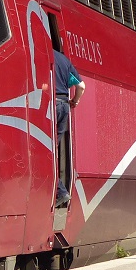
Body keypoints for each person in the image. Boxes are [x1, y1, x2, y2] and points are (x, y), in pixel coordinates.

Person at [53, 48, 85, 207]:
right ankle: (61, 191)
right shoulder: (64, 61)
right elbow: (81, 86)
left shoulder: (42, 53)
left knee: (47, 151)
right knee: (54, 149)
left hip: (51, 103)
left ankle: (60, 191)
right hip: (64, 105)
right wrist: (75, 101)